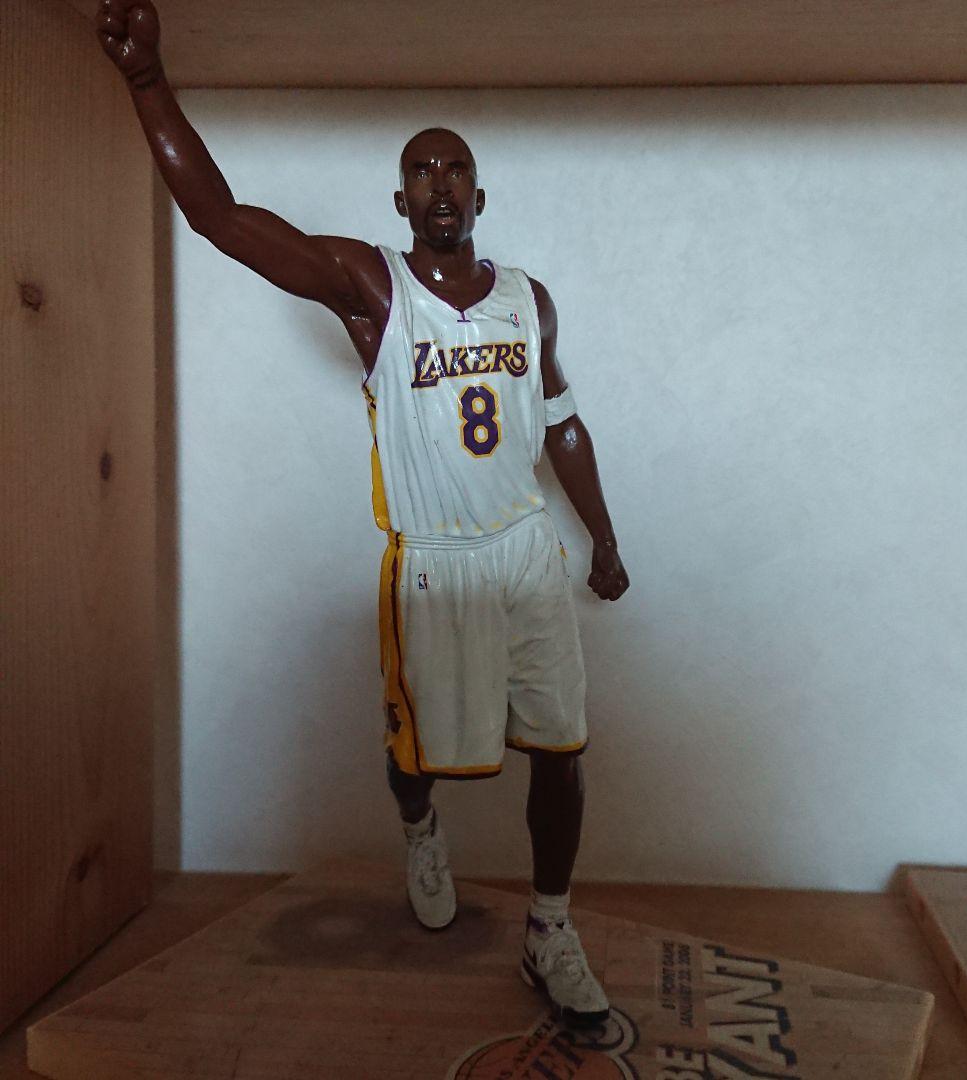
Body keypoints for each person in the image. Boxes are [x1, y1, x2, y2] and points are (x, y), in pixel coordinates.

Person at [96, 0, 629, 1028]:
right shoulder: (372, 287)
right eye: (422, 170)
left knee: (564, 746)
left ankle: (551, 930)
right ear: (400, 197)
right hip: (434, 560)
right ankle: (420, 830)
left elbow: (562, 424)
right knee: (418, 750)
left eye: (456, 168)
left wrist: (603, 535)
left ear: (481, 192)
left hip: (525, 549)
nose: (441, 183)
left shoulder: (529, 298)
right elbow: (221, 220)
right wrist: (148, 82)